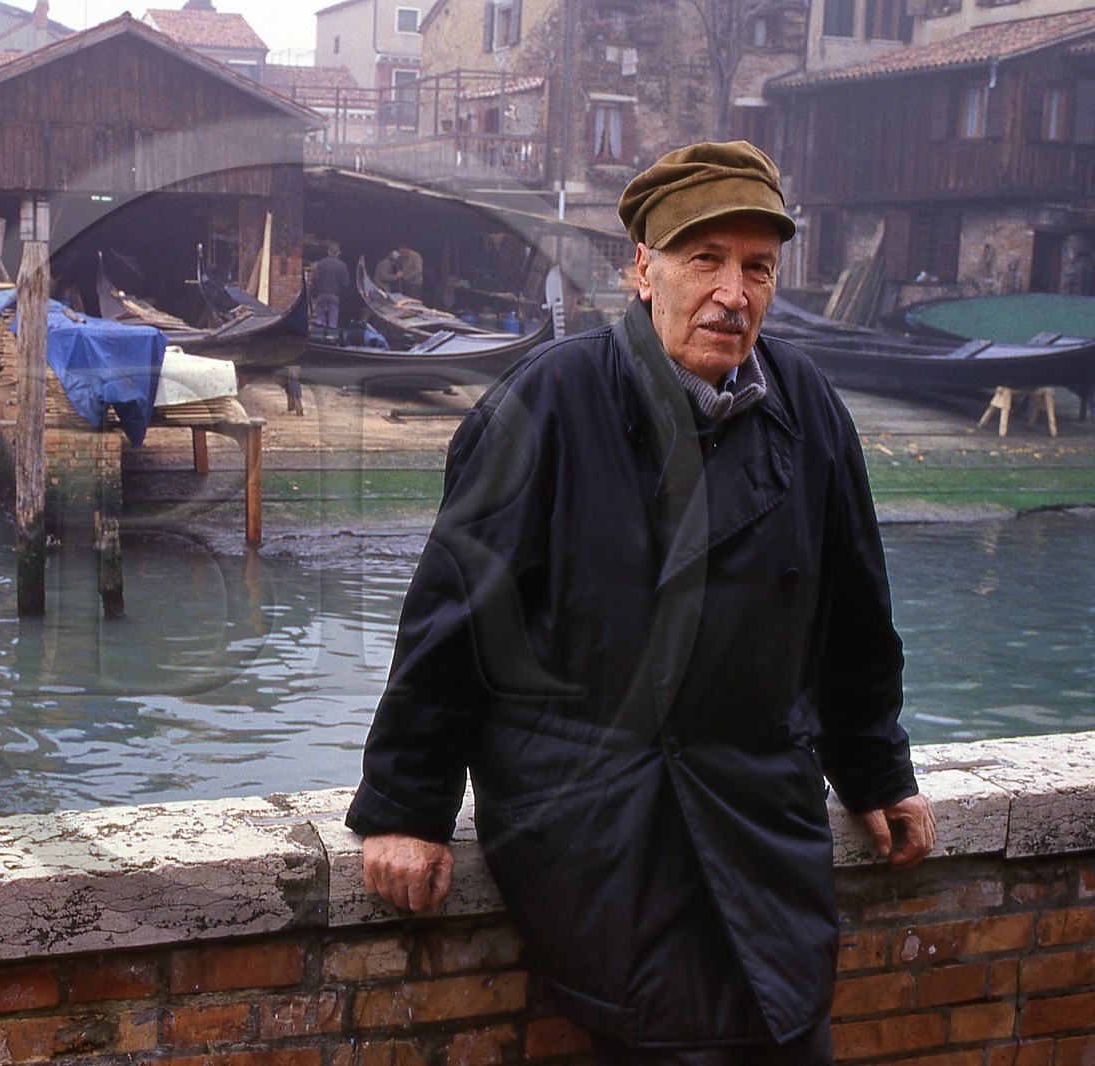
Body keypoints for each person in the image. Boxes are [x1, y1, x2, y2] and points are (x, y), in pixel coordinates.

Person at [347, 141, 935, 1065]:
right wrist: (406, 808)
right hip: (605, 814)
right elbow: (452, 622)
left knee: (794, 1031)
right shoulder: (549, 402)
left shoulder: (809, 406)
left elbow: (854, 614)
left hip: (760, 814)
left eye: (757, 268)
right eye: (705, 260)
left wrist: (878, 772)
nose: (732, 294)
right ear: (642, 269)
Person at [309, 241, 348, 335]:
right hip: (334, 295)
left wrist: (317, 290)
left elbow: (315, 279)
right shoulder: (342, 266)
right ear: (339, 253)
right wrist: (339, 292)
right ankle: (330, 337)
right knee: (333, 320)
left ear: (328, 251)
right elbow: (345, 283)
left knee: (319, 318)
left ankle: (317, 337)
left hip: (321, 294)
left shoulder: (321, 263)